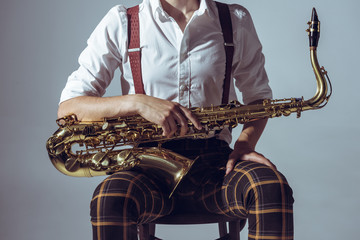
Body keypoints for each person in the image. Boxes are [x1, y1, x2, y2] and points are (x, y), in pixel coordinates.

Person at [57, 0, 294, 239]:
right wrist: (138, 103)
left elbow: (259, 97)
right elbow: (69, 109)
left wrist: (245, 144)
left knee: (270, 187)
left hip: (218, 168)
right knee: (110, 198)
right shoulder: (123, 22)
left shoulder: (234, 19)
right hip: (148, 167)